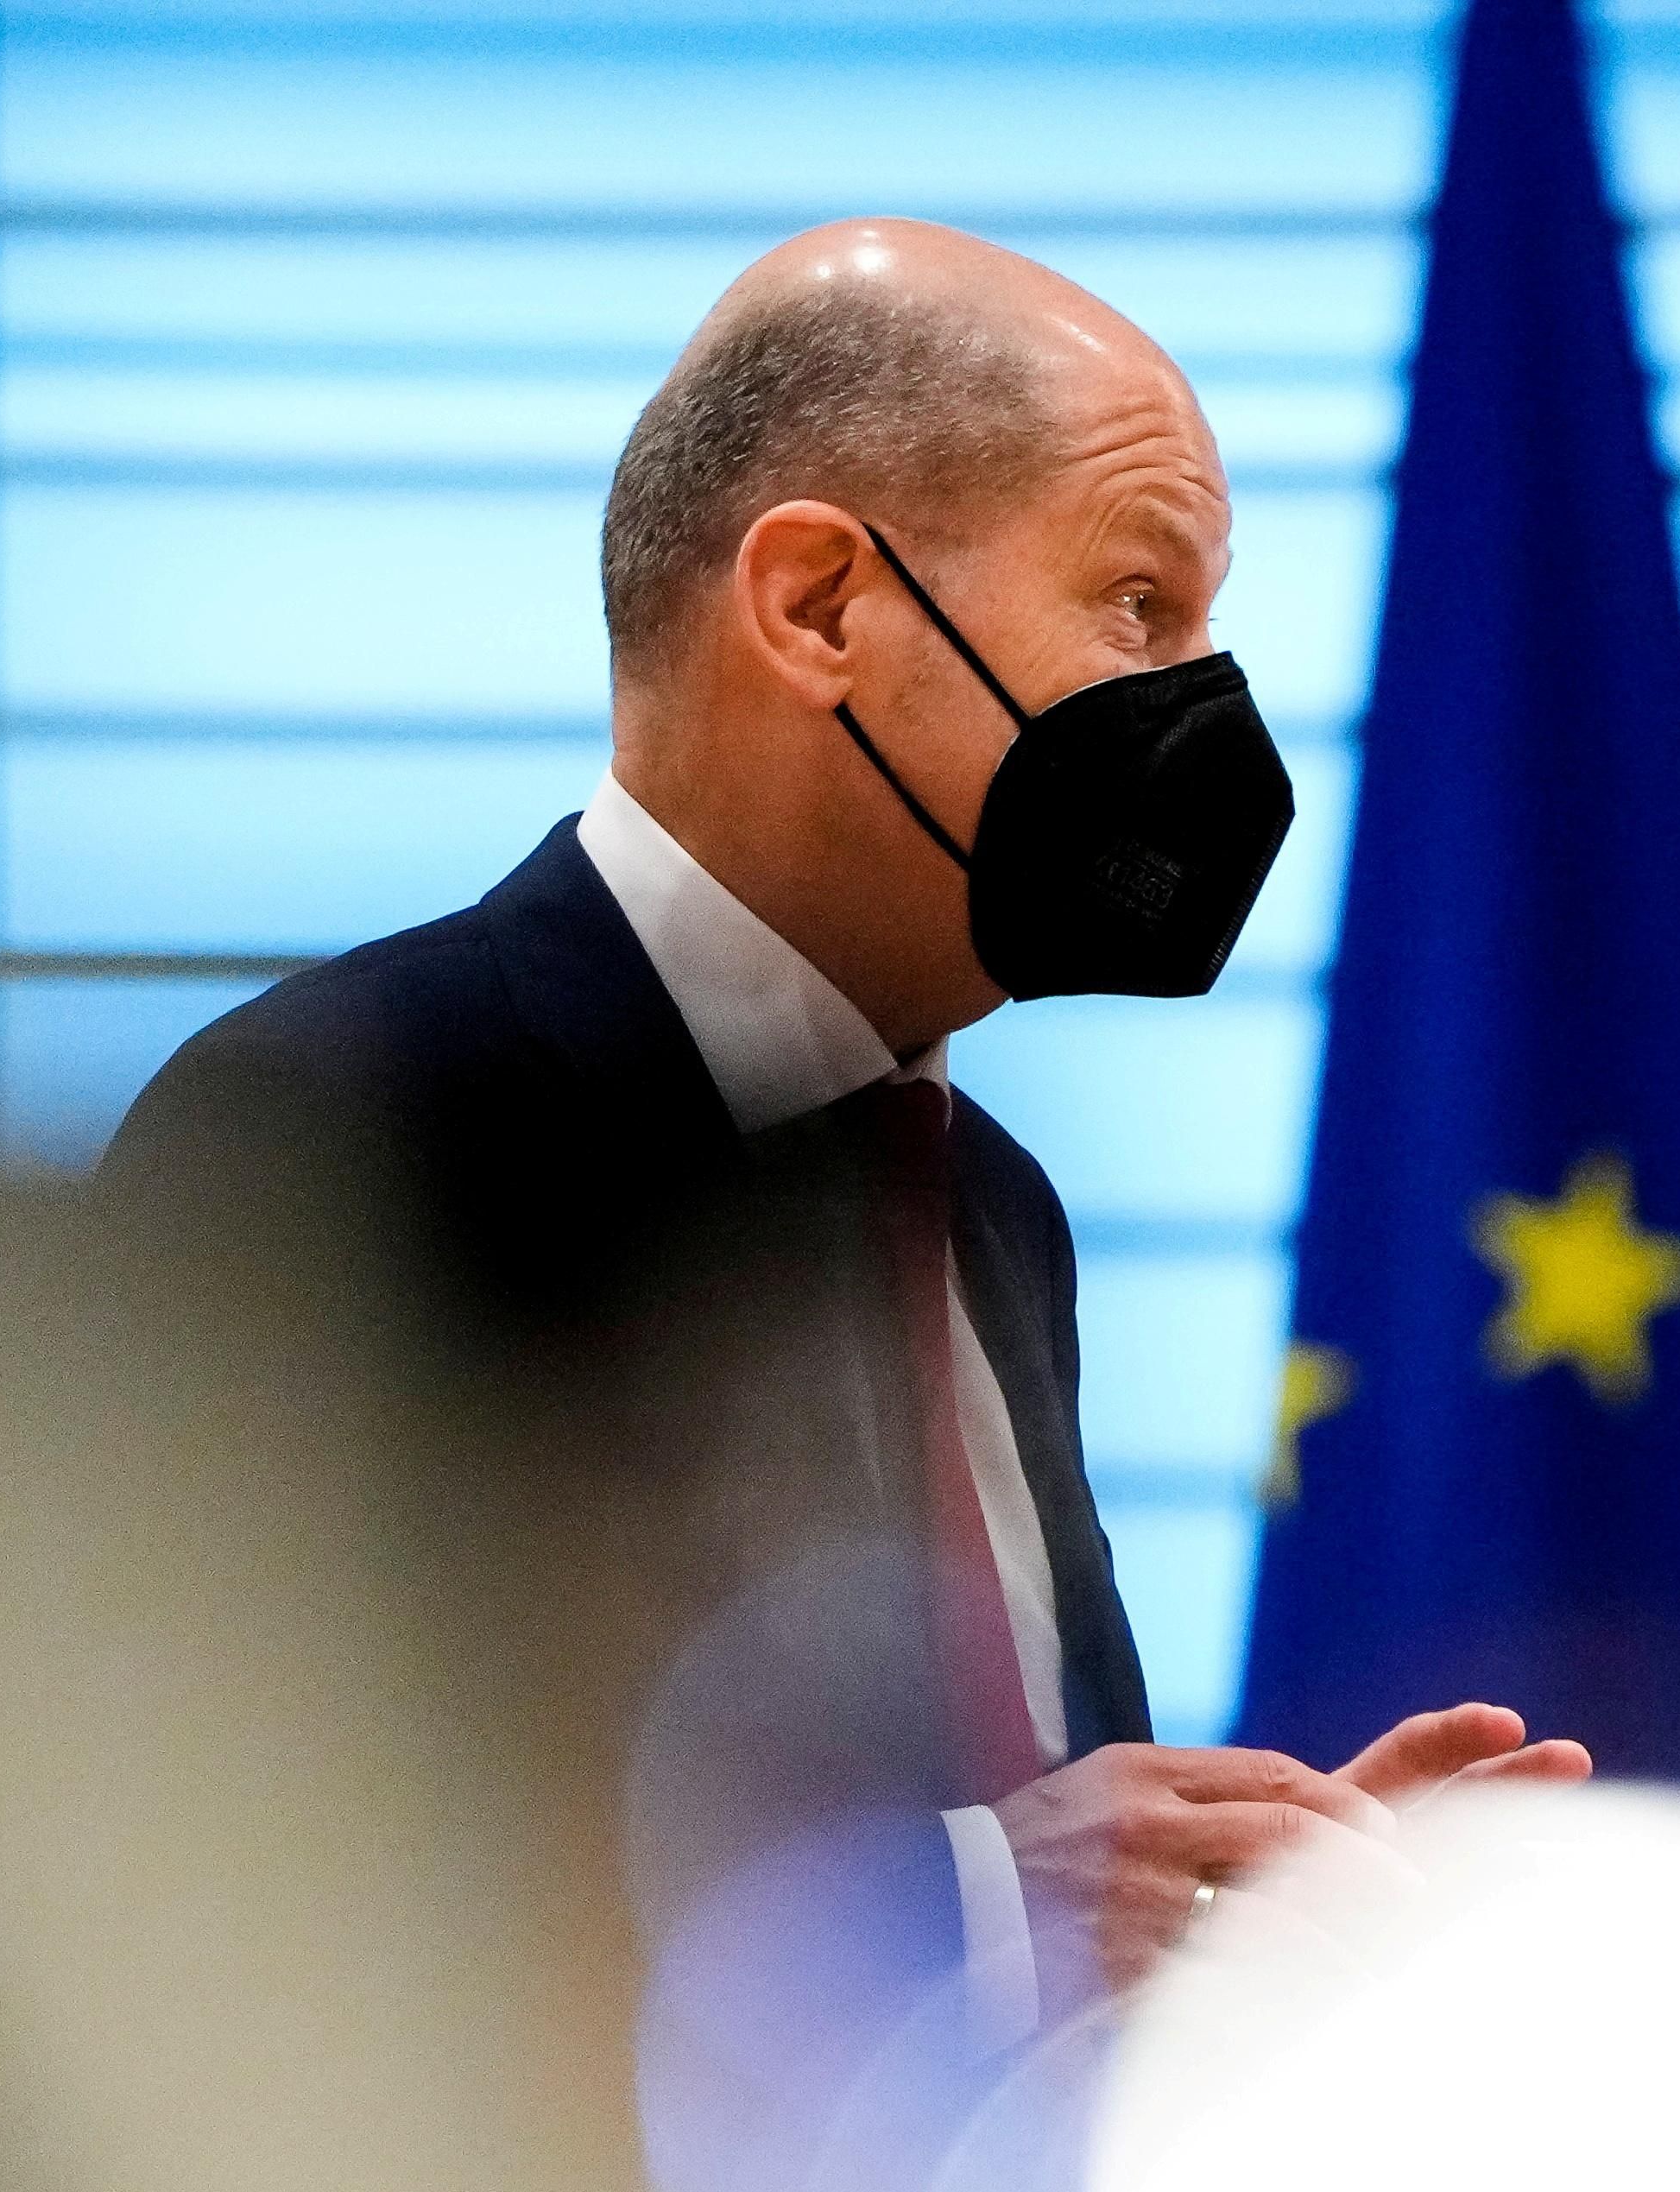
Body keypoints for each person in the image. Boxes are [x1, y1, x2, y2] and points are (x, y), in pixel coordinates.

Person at [97, 220, 1576, 2031]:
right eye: (1139, 605)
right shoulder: (323, 1126)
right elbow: (217, 1912)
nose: (1207, 706)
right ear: (816, 609)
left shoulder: (993, 1211)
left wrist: (1228, 1917)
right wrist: (962, 1903)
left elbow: (1033, 1904)